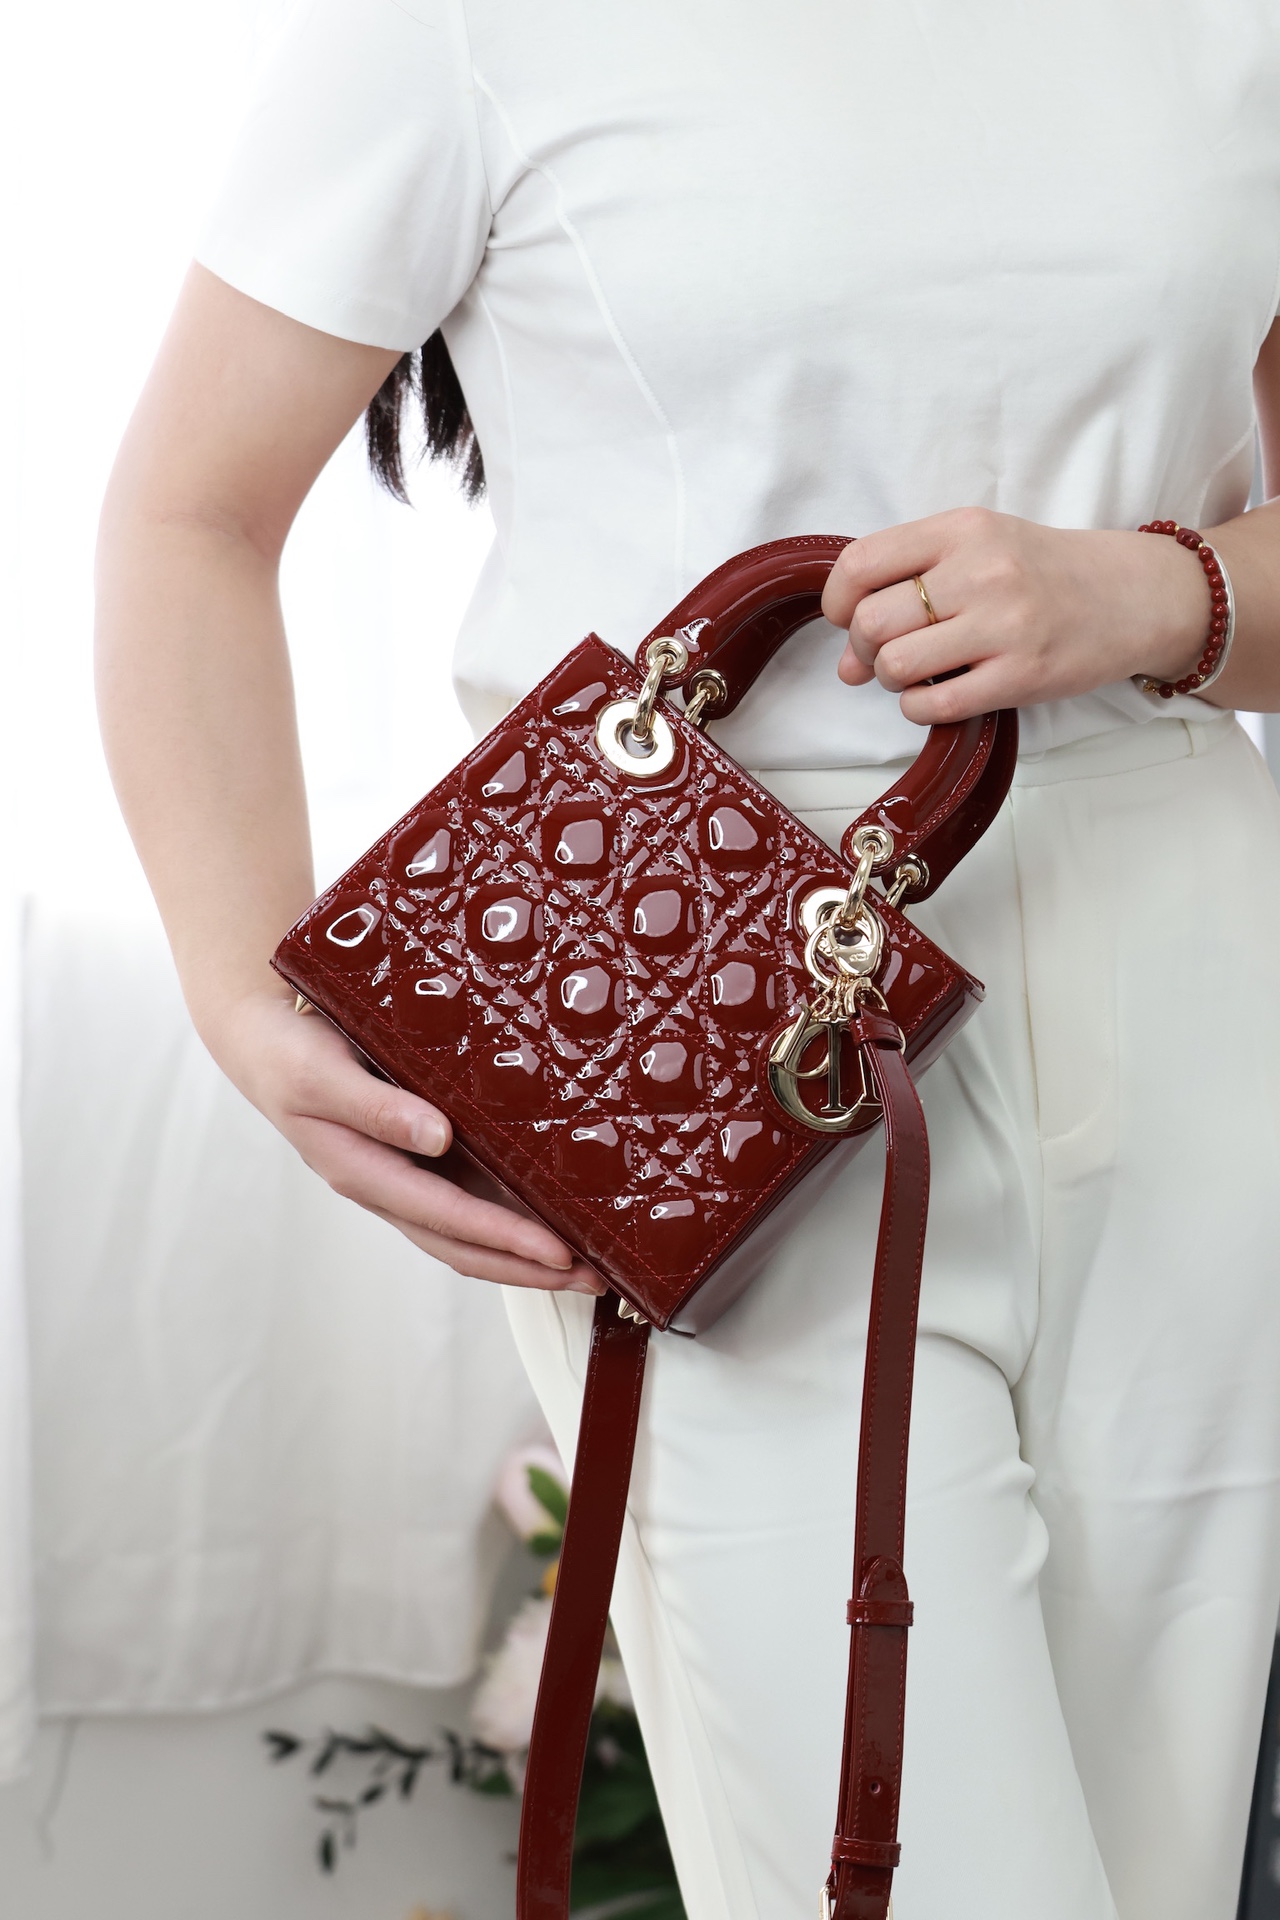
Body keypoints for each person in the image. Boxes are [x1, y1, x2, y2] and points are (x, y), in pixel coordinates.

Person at [95, 3, 1280, 1915]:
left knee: (1159, 1864)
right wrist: (244, 990)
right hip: (689, 1022)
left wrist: (1151, 585)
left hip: (1201, 994)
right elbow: (191, 511)